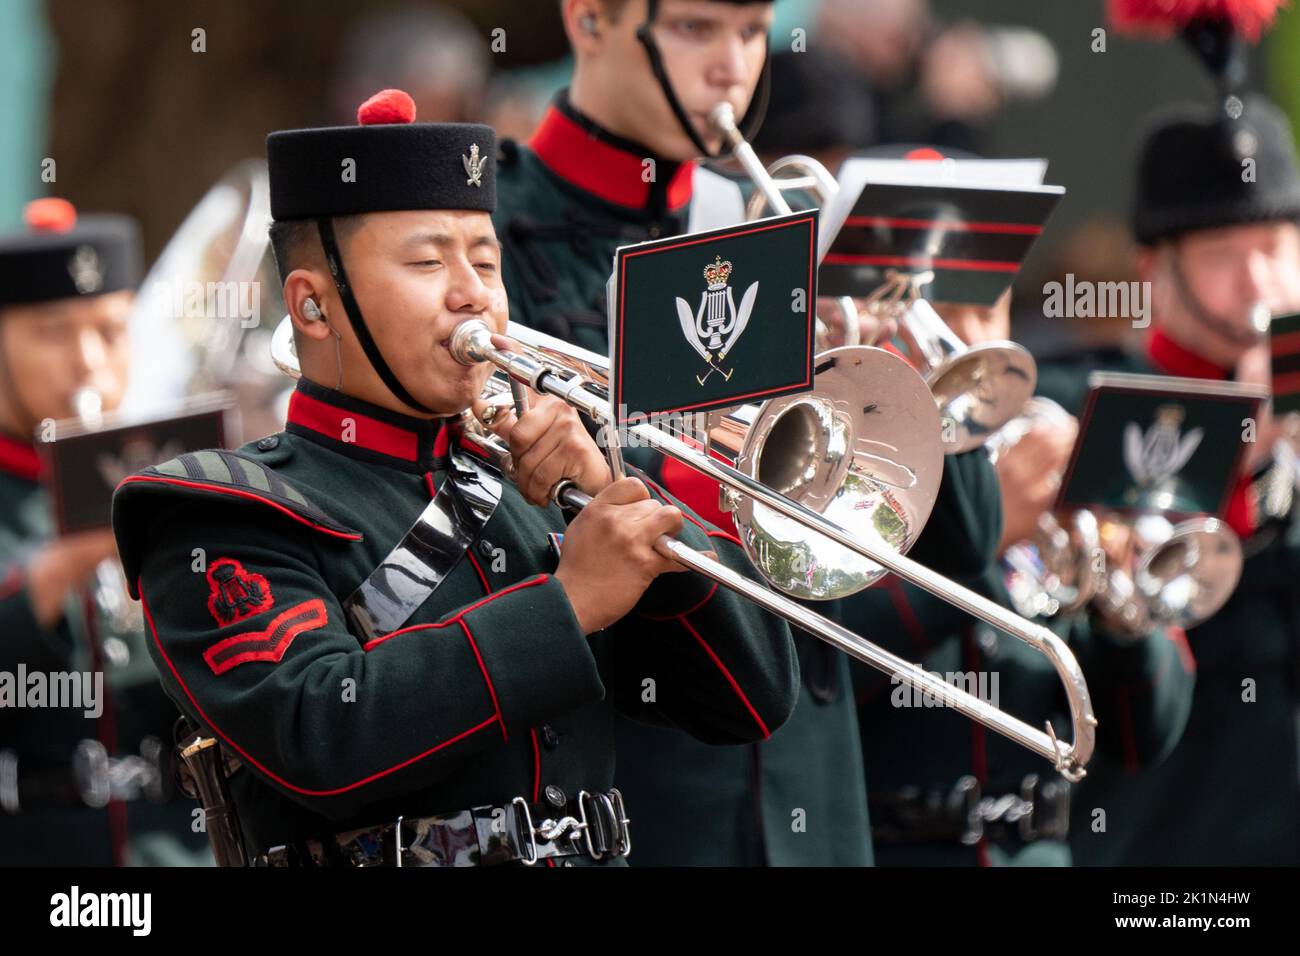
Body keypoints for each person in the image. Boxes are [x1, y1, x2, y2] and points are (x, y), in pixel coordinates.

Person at [110, 89, 798, 867]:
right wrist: (569, 605)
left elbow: (751, 698)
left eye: (485, 260)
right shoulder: (215, 514)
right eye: (428, 261)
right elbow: (320, 737)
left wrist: (618, 495)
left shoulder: (534, 489)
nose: (473, 292)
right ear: (313, 308)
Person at [493, 0, 1005, 866]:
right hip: (638, 793)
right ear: (588, 18)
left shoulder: (779, 218)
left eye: (751, 30)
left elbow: (964, 545)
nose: (733, 65)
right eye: (697, 28)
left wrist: (898, 353)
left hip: (816, 794)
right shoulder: (490, 233)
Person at [1035, 93, 1300, 865]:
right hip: (1152, 846)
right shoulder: (1081, 410)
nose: (1259, 284)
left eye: (1277, 246)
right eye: (1223, 253)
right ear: (1155, 271)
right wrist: (1235, 468)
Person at [849, 293, 1196, 866]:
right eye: (937, 307)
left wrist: (1120, 599)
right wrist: (987, 538)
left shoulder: (1044, 450)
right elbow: (821, 670)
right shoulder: (835, 460)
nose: (959, 338)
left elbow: (1143, 737)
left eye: (985, 311)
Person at [0, 198, 211, 865]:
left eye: (111, 332)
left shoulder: (168, 485)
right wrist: (56, 570)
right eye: (54, 333)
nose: (89, 361)